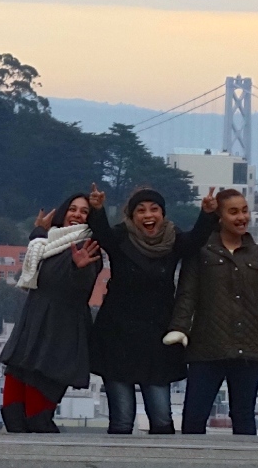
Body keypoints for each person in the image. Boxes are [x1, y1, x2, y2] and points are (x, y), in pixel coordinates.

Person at [164, 189, 258, 435]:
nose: (241, 217)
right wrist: (179, 328)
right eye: (233, 212)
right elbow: (187, 294)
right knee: (194, 417)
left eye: (244, 210)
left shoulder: (257, 253)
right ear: (219, 217)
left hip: (252, 347)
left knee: (244, 417)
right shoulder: (200, 250)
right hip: (208, 346)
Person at [86, 183, 218, 434]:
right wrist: (97, 209)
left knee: (161, 417)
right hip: (117, 335)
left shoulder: (173, 239)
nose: (148, 215)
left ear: (163, 214)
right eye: (141, 210)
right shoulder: (121, 237)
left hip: (158, 335)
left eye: (154, 209)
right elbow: (101, 234)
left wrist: (208, 214)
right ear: (132, 216)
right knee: (122, 418)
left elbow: (195, 241)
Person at [0, 193, 103, 433]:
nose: (77, 214)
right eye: (73, 209)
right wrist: (37, 231)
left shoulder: (88, 247)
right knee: (12, 413)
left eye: (84, 211)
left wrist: (80, 269)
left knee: (38, 417)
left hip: (58, 337)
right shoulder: (46, 243)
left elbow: (82, 287)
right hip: (30, 331)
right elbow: (37, 263)